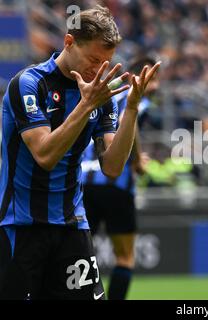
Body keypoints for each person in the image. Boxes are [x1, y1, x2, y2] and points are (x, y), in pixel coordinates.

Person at [0, 5, 160, 300]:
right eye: (93, 59)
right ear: (69, 42)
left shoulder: (102, 96)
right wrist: (86, 106)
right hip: (21, 228)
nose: (98, 70)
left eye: (106, 62)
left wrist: (132, 109)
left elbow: (112, 167)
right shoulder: (29, 84)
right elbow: (45, 156)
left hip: (73, 226)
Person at [81, 55, 159, 300]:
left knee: (80, 254)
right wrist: (136, 160)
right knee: (125, 257)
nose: (156, 87)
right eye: (154, 80)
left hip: (84, 181)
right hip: (116, 183)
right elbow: (130, 118)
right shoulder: (134, 96)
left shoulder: (104, 92)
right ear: (142, 75)